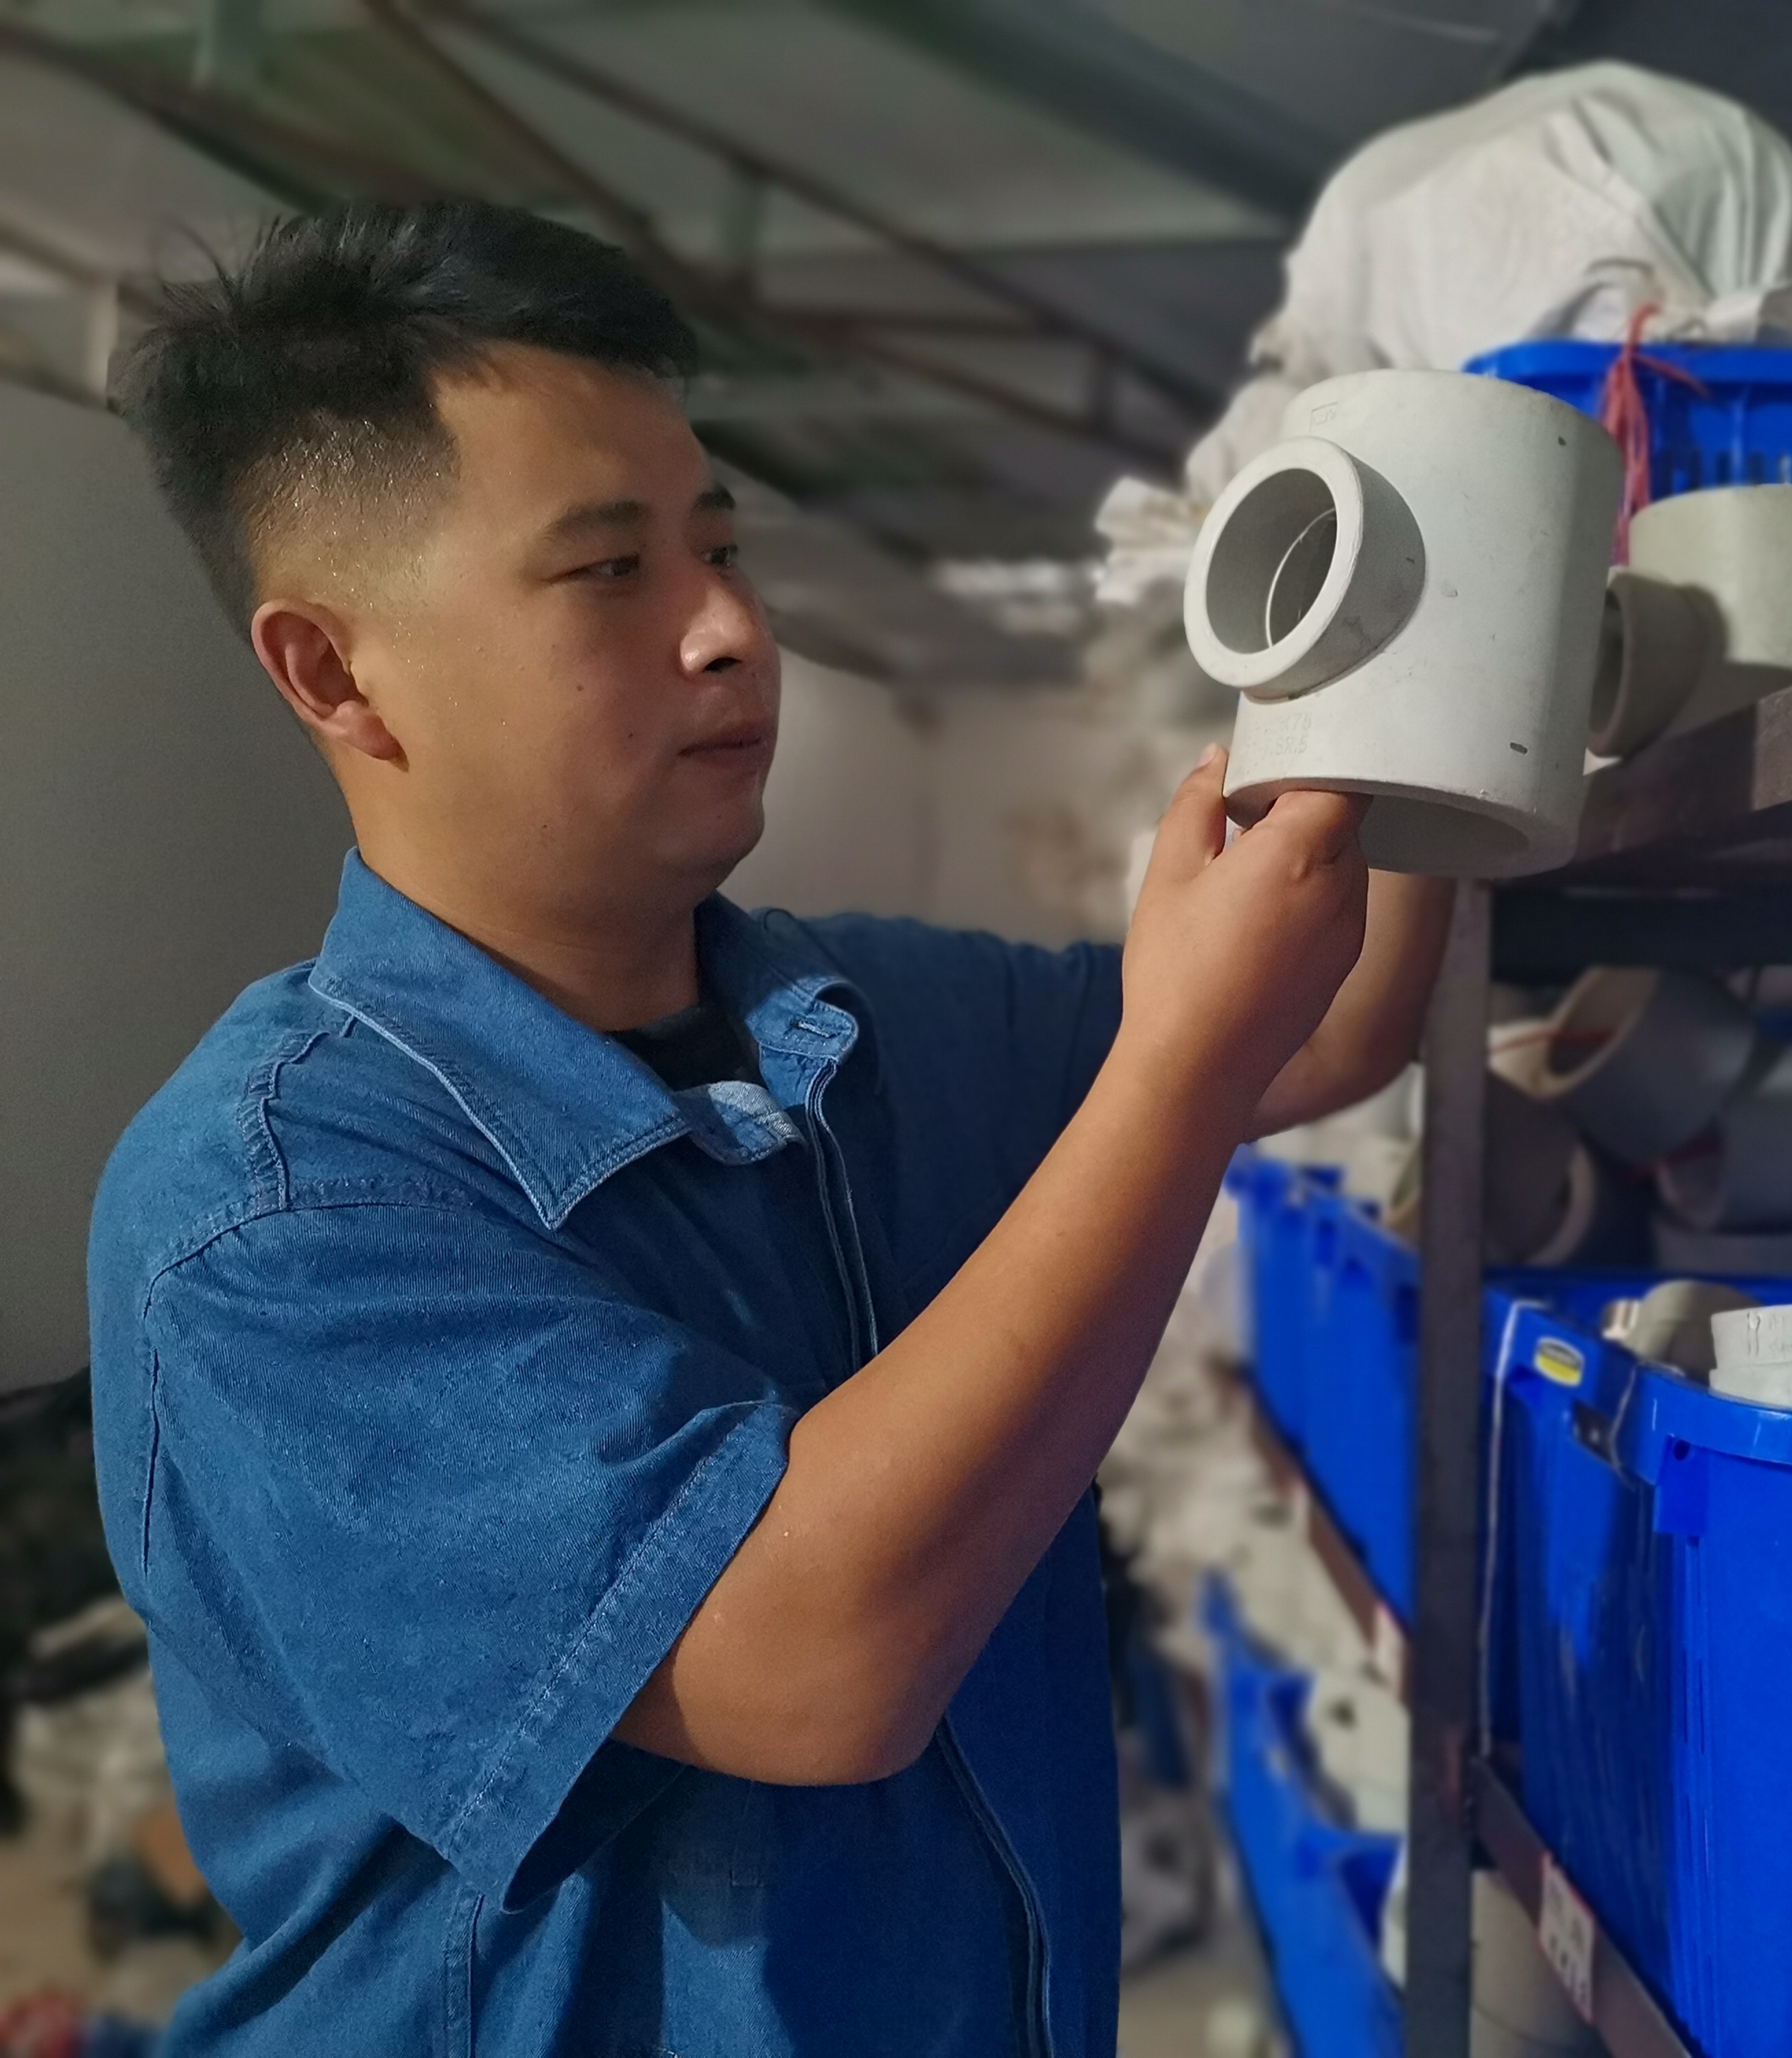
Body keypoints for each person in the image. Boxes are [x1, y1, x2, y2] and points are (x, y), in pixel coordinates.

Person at [87, 201, 1450, 2056]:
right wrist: (1177, 1070)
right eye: (609, 572)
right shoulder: (269, 1221)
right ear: (334, 672)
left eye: (720, 548)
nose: (730, 630)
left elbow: (1325, 1028)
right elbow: (815, 1664)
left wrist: (1411, 663)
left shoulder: (856, 1017)